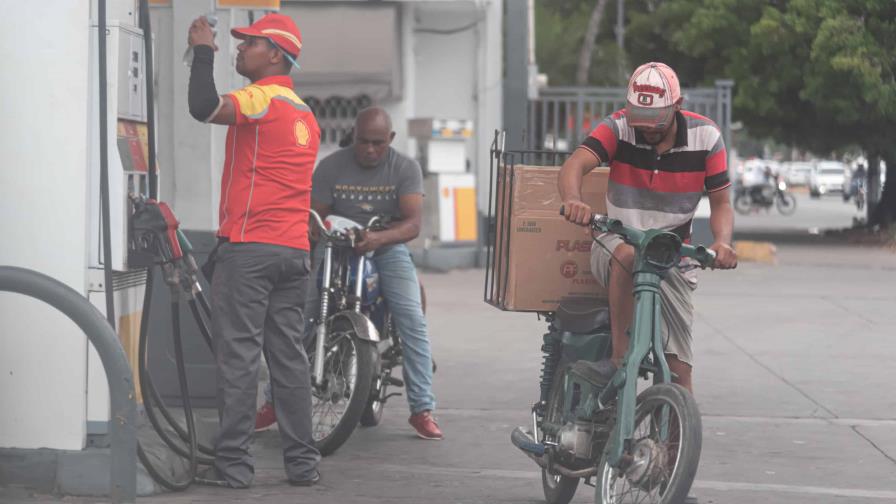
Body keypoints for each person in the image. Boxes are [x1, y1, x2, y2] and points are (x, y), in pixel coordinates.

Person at [186, 12, 321, 488]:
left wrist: (203, 51)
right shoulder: (306, 115)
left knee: (239, 358)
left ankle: (235, 468)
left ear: (277, 55)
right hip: (292, 253)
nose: (240, 48)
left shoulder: (262, 98)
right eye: (238, 42)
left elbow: (203, 107)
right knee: (288, 358)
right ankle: (303, 466)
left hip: (250, 251)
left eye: (250, 43)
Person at [254, 107, 443, 440]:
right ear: (353, 137)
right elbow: (314, 215)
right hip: (335, 248)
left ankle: (422, 409)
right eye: (363, 142)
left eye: (378, 143)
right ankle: (273, 401)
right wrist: (314, 233)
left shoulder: (405, 168)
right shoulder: (331, 167)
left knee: (412, 319)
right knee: (299, 319)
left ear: (391, 140)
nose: (370, 149)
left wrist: (377, 238)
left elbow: (413, 224)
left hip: (387, 248)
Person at [559, 62, 738, 394]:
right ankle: (618, 358)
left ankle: (673, 442)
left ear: (678, 106)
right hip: (616, 241)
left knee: (679, 372)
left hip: (672, 253)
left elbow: (721, 203)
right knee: (628, 254)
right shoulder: (618, 126)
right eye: (641, 124)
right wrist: (573, 198)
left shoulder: (707, 137)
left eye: (656, 125)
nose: (648, 132)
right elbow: (575, 164)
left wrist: (722, 242)